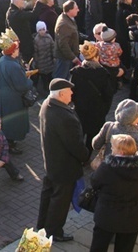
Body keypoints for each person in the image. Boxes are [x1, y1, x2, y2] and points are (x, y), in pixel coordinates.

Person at [37, 78, 88, 242]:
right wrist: (86, 155)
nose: (72, 93)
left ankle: (42, 226)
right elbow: (75, 145)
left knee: (48, 195)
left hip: (51, 163)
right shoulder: (65, 117)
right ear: (61, 94)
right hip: (65, 167)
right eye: (69, 91)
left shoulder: (47, 104)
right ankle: (54, 231)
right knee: (60, 201)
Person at [88, 134, 138, 252]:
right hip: (133, 217)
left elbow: (94, 182)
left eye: (113, 147)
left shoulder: (107, 167)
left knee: (99, 246)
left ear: (121, 152)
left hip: (107, 215)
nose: (111, 150)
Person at [0, 29, 35, 154]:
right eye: (16, 49)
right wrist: (29, 80)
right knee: (14, 123)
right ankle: (10, 144)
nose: (18, 50)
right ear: (12, 52)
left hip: (5, 96)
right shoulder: (13, 66)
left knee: (7, 120)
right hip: (14, 99)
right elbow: (22, 85)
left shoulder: (3, 61)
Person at [70, 42, 117, 155]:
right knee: (93, 135)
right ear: (96, 57)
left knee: (80, 133)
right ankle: (88, 154)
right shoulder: (103, 74)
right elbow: (108, 95)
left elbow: (71, 92)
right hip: (97, 112)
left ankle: (79, 155)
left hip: (80, 110)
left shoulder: (76, 72)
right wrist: (104, 110)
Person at [54, 0, 82, 79]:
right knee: (61, 79)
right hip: (64, 58)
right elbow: (63, 44)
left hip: (67, 57)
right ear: (70, 10)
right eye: (76, 8)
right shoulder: (64, 24)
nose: (78, 10)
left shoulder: (68, 18)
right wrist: (73, 57)